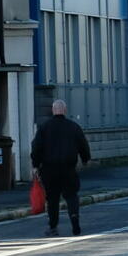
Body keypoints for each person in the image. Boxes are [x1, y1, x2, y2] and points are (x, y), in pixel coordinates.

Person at [30, 99, 92, 235]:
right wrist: (86, 159)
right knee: (71, 195)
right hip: (68, 168)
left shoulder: (44, 127)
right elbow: (83, 144)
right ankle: (74, 218)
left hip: (49, 169)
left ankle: (53, 227)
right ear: (65, 110)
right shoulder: (73, 127)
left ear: (53, 111)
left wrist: (35, 164)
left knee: (52, 198)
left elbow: (36, 147)